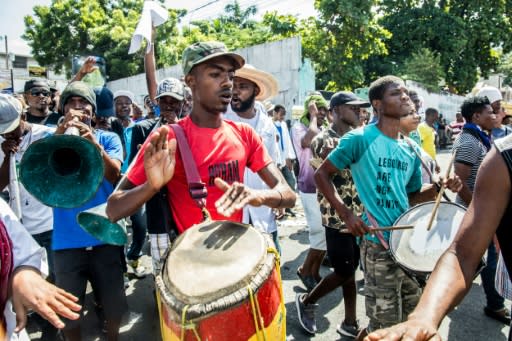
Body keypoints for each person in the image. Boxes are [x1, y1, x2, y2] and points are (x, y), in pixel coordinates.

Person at [106, 41, 296, 246]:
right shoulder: (167, 138)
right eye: (215, 75)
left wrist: (259, 196)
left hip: (236, 260)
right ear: (191, 81)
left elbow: (288, 195)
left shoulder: (245, 134)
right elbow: (113, 209)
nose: (227, 84)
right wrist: (151, 187)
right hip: (190, 265)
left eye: (230, 76)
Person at [314, 75, 461, 340]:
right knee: (384, 323)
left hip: (407, 245)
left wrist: (440, 187)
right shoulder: (359, 138)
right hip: (377, 243)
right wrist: (347, 215)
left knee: (409, 320)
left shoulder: (411, 148)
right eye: (397, 93)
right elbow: (321, 175)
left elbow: (412, 196)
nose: (405, 97)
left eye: (406, 92)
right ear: (377, 105)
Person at [364, 134, 512, 341]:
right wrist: (423, 319)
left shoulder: (411, 147)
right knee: (384, 314)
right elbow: (463, 253)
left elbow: (415, 193)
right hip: (380, 239)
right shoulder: (504, 156)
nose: (408, 103)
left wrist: (436, 186)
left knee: (407, 301)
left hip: (403, 234)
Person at [0, 94, 81, 341]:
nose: (8, 135)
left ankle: (52, 330)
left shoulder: (46, 135)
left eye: (11, 130)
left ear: (23, 117)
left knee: (56, 278)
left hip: (49, 223)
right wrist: (6, 157)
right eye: (3, 133)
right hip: (20, 226)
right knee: (26, 279)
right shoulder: (3, 145)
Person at [52, 81, 127, 341]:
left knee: (113, 303)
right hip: (66, 240)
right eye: (70, 103)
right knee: (67, 311)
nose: (77, 108)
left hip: (104, 234)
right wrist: (60, 136)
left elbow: (115, 174)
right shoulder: (53, 139)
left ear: (93, 112)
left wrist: (93, 143)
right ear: (62, 111)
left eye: (83, 103)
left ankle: (113, 336)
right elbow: (42, 177)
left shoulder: (108, 137)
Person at [295, 91, 369, 337]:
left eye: (361, 108)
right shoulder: (323, 139)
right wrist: (345, 213)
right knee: (344, 270)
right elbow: (323, 180)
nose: (359, 111)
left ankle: (349, 321)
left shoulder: (356, 137)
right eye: (353, 107)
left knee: (351, 267)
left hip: (357, 215)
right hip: (337, 217)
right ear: (335, 110)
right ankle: (306, 301)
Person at [451, 96, 510, 324]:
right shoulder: (469, 142)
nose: (494, 116)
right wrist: (478, 210)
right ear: (476, 116)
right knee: (487, 260)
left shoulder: (479, 138)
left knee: (482, 260)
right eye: (490, 112)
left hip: (483, 210)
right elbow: (460, 181)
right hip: (475, 212)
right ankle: (494, 305)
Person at [224, 63, 283, 252]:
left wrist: (279, 197)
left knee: (270, 258)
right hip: (229, 209)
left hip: (262, 207)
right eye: (233, 85)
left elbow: (273, 163)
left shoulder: (267, 125)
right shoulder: (221, 120)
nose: (235, 92)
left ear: (255, 91)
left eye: (242, 87)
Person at [291, 94, 329, 291]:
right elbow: (309, 140)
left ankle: (313, 272)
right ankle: (306, 270)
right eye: (318, 109)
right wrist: (314, 117)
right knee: (318, 231)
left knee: (325, 231)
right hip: (308, 185)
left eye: (324, 109)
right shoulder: (299, 128)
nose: (322, 113)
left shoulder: (321, 127)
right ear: (309, 110)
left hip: (324, 186)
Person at [417, 108, 440, 173]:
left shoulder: (431, 128)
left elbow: (431, 147)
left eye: (436, 116)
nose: (435, 118)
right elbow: (417, 145)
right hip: (424, 163)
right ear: (427, 115)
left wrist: (435, 163)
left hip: (430, 162)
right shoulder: (422, 127)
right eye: (433, 116)